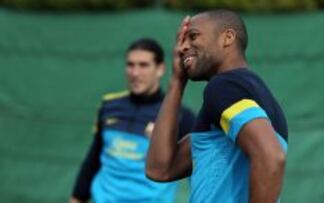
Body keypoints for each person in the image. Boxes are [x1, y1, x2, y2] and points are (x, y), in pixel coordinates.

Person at [146, 10, 288, 203]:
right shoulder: (244, 95)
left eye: (193, 36)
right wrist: (177, 81)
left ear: (227, 38)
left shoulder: (224, 86)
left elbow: (271, 157)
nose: (183, 47)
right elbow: (160, 169)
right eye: (183, 40)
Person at [70, 38, 195, 203]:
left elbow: (198, 171)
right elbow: (93, 160)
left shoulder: (180, 116)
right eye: (130, 65)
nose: (135, 73)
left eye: (143, 65)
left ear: (160, 69)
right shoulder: (109, 106)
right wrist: (77, 198)